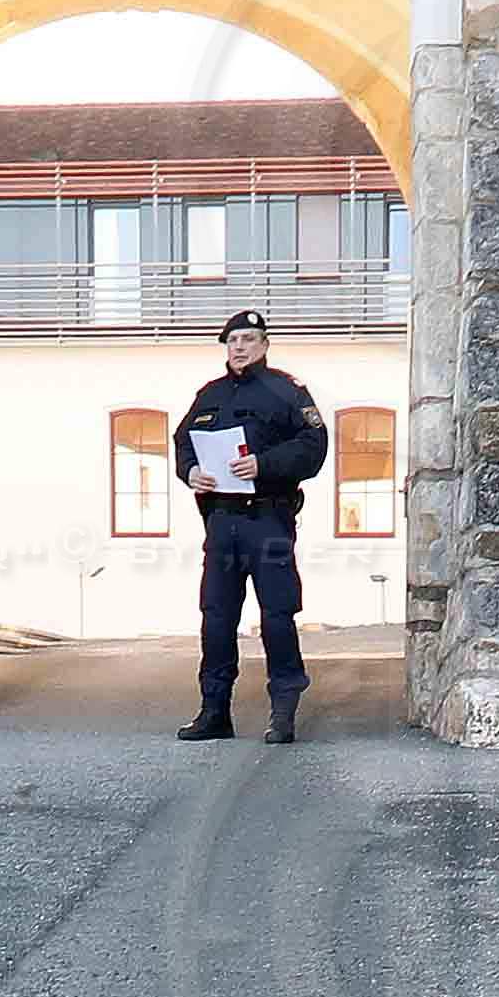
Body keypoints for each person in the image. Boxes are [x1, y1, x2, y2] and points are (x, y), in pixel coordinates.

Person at [171, 309, 327, 743]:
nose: (239, 347)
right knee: (216, 617)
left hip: (268, 519)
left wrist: (264, 464)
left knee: (277, 615)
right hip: (222, 521)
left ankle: (283, 712)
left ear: (264, 345)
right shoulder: (210, 394)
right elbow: (183, 441)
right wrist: (190, 471)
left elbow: (313, 446)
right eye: (233, 340)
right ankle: (214, 711)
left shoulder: (286, 391)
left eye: (248, 339)